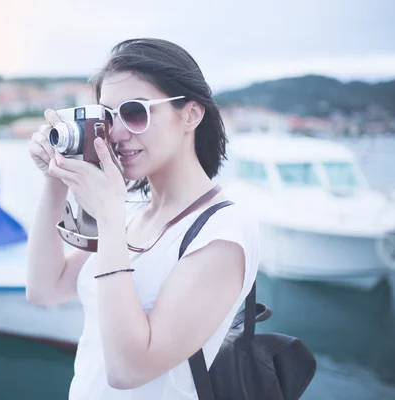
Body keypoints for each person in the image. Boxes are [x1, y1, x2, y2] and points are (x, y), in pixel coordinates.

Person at [26, 38, 260, 399]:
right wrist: (56, 177)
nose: (117, 133)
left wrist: (107, 214)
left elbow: (128, 369)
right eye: (107, 116)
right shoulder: (133, 211)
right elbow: (46, 288)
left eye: (135, 112)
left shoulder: (222, 234)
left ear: (191, 115)